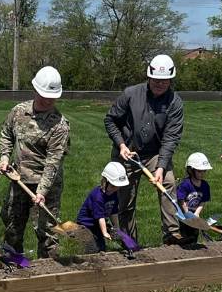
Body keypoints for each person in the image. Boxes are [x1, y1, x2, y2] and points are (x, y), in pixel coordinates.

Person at [104, 54, 185, 245]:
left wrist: (161, 167)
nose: (160, 84)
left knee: (168, 182)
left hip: (155, 153)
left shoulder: (175, 102)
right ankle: (128, 240)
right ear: (149, 77)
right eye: (156, 80)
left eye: (164, 81)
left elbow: (171, 137)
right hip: (127, 152)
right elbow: (110, 120)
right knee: (124, 198)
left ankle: (172, 234)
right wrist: (121, 144)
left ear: (170, 80)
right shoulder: (131, 94)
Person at [0, 65, 70, 259]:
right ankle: (13, 267)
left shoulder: (60, 125)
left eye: (52, 97)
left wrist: (42, 191)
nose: (47, 100)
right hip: (18, 180)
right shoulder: (19, 111)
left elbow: (53, 162)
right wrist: (5, 156)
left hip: (46, 184)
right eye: (44, 95)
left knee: (47, 233)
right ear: (35, 90)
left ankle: (48, 275)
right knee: (12, 226)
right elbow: (6, 133)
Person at [76, 162, 128, 252]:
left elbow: (113, 212)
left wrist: (116, 228)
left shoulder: (114, 194)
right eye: (114, 186)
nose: (116, 188)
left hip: (97, 224)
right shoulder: (97, 197)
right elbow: (100, 217)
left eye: (118, 186)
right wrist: (105, 232)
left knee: (101, 247)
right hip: (86, 225)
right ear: (105, 182)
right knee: (91, 249)